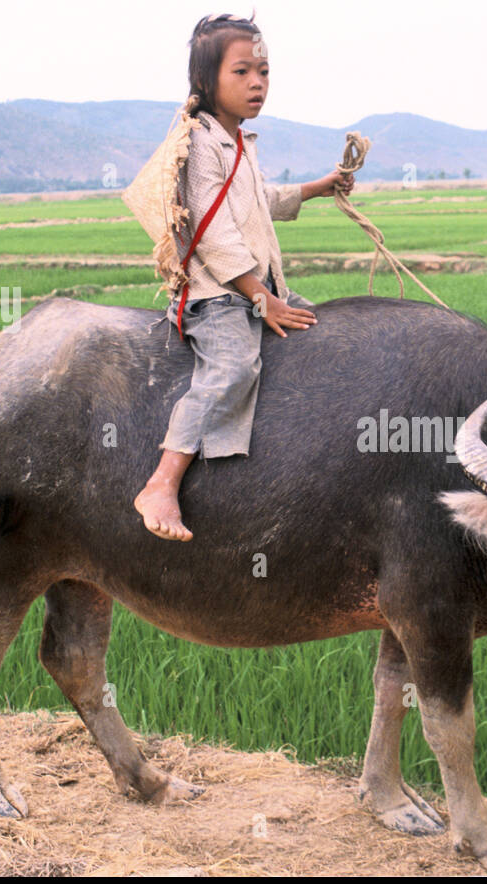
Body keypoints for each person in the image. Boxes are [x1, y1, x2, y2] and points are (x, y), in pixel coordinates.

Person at [134, 13, 354, 541]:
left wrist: (319, 187)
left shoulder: (238, 142)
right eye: (242, 72)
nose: (257, 83)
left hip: (258, 287)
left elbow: (261, 200)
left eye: (264, 71)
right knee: (231, 367)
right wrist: (262, 299)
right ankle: (163, 481)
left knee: (327, 333)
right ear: (208, 82)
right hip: (219, 297)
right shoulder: (198, 146)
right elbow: (213, 236)